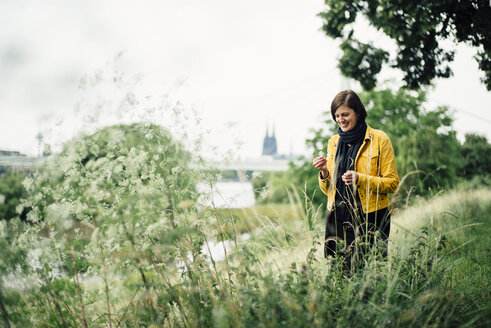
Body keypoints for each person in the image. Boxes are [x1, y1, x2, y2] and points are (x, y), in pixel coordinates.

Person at [312, 90, 399, 270]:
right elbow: (328, 190)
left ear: (358, 113)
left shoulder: (380, 139)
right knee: (338, 275)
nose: (340, 120)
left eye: (345, 114)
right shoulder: (333, 143)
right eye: (337, 115)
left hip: (372, 218)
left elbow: (392, 183)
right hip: (337, 220)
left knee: (370, 275)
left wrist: (361, 179)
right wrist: (324, 173)